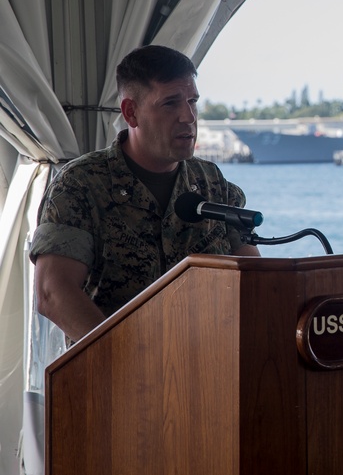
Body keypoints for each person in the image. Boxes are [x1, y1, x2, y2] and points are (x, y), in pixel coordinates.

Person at [30, 45, 260, 343]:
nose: (188, 116)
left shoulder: (211, 183)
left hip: (209, 370)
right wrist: (128, 361)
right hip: (113, 377)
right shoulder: (81, 184)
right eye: (170, 104)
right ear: (131, 112)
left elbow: (254, 278)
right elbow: (53, 292)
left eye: (192, 101)